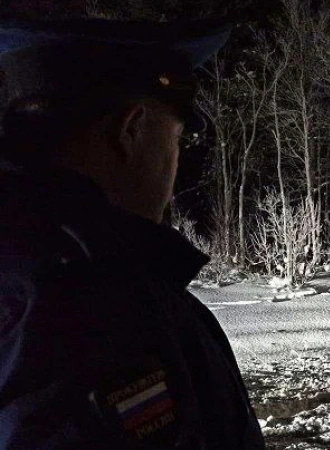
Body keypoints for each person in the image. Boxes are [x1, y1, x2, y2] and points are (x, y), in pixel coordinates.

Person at [0, 19, 265, 449]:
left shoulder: (38, 276)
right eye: (178, 140)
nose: (175, 167)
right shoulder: (87, 309)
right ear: (132, 130)